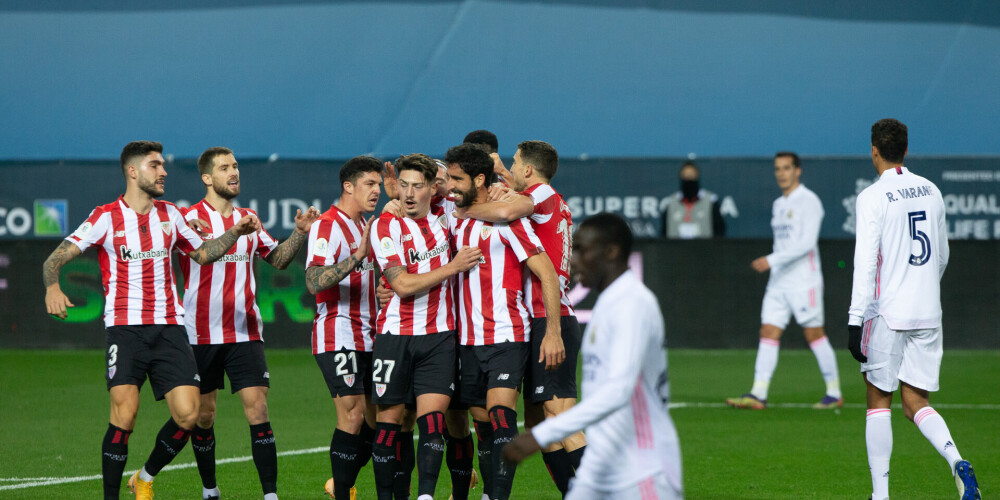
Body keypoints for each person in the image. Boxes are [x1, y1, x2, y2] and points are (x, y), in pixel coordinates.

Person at [42, 141, 260, 500]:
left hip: (170, 328)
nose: (164, 172)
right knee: (124, 416)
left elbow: (203, 254)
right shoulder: (105, 217)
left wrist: (235, 232)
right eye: (155, 165)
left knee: (190, 416)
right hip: (125, 329)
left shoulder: (172, 215)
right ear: (133, 171)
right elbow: (53, 259)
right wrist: (52, 287)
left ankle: (143, 477)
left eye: (163, 166)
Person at [502, 213, 683, 500]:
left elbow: (618, 391)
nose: (572, 259)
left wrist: (542, 434)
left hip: (643, 469)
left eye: (582, 250)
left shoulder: (632, 304)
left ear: (611, 252)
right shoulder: (608, 304)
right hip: (606, 463)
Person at [847, 119, 981, 500]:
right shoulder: (932, 190)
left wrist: (856, 319)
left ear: (874, 150)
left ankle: (880, 495)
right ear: (906, 150)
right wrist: (922, 289)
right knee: (916, 402)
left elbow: (866, 263)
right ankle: (956, 460)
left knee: (878, 402)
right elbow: (942, 255)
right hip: (927, 312)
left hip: (886, 313)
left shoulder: (872, 196)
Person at [180, 147, 319, 500]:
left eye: (236, 166)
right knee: (205, 416)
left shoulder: (249, 218)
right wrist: (236, 231)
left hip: (245, 331)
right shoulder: (188, 219)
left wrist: (300, 233)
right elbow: (205, 253)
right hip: (200, 333)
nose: (234, 172)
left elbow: (278, 258)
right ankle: (210, 489)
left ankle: (270, 495)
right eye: (224, 167)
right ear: (207, 178)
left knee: (258, 408)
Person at [459, 140, 586, 495]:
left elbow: (502, 213)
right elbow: (510, 194)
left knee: (559, 415)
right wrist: (499, 173)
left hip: (551, 317)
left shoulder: (542, 194)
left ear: (529, 170)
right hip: (539, 319)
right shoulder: (551, 201)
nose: (511, 169)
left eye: (514, 164)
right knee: (538, 423)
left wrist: (464, 210)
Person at [369, 153, 483, 500]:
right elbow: (401, 285)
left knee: (433, 424)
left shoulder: (446, 220)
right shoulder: (384, 226)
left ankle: (426, 496)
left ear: (431, 189)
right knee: (388, 425)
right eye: (403, 184)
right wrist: (453, 267)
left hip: (438, 338)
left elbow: (473, 196)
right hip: (394, 338)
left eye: (417, 186)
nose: (408, 193)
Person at [726, 152, 842, 410]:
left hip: (804, 281)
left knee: (813, 334)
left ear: (797, 171)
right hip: (779, 282)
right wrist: (775, 263)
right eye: (778, 168)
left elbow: (807, 243)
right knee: (768, 331)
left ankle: (834, 393)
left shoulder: (809, 201)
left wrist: (772, 259)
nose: (781, 173)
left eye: (787, 168)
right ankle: (758, 393)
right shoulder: (779, 204)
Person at [305, 156, 382, 500]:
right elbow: (313, 281)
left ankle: (340, 482)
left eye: (379, 184)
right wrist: (356, 257)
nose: (376, 190)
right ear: (348, 186)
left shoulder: (362, 223)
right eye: (369, 184)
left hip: (369, 334)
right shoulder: (327, 226)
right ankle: (343, 493)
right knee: (352, 416)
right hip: (338, 333)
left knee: (378, 422)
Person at [663, 160, 725, 239]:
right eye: (685, 176)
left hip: (704, 249)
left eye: (691, 176)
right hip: (676, 249)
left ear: (697, 176)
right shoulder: (670, 203)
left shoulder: (711, 202)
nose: (688, 179)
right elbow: (664, 233)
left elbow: (719, 231)